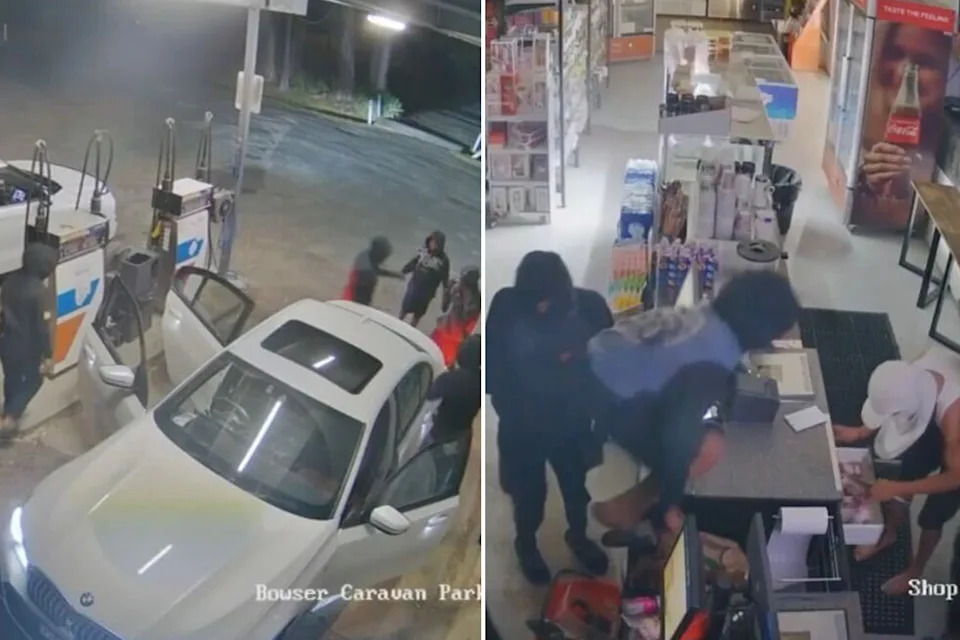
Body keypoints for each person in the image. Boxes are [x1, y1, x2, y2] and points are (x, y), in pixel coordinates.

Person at [587, 271, 800, 539]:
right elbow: (678, 440)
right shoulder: (711, 363)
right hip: (606, 397)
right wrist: (670, 503)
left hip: (600, 357)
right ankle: (631, 514)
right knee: (708, 449)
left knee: (699, 428)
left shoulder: (707, 315)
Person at [487, 251, 613, 585]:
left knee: (576, 489)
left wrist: (600, 418)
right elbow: (493, 369)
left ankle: (579, 535)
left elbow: (611, 364)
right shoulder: (506, 306)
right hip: (522, 426)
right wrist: (514, 411)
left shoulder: (591, 308)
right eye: (535, 302)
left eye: (548, 301)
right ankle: (525, 543)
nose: (541, 308)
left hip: (572, 423)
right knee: (529, 496)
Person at [833, 354, 960, 594]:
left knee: (932, 515)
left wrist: (897, 489)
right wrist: (861, 432)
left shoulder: (955, 421)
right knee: (907, 472)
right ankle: (888, 535)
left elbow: (956, 477)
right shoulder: (912, 374)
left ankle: (916, 571)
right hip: (936, 417)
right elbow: (895, 406)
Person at [855, 23, 951, 227]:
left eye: (924, 62)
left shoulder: (941, 155)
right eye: (895, 54)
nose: (903, 72)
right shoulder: (860, 135)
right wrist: (867, 183)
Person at [0, 243, 58, 439]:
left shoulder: (10, 281)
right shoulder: (38, 293)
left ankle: (9, 407)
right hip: (26, 347)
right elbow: (41, 329)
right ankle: (9, 419)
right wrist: (48, 356)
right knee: (34, 380)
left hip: (6, 342)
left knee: (12, 378)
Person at [427, 334, 481, 445]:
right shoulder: (480, 381)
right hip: (461, 436)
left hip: (439, 433)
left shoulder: (450, 379)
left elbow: (429, 395)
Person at [431, 266, 480, 368]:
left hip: (455, 337)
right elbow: (444, 307)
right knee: (433, 355)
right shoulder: (457, 290)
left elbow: (470, 318)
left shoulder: (476, 300)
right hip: (445, 330)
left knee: (444, 362)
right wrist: (447, 291)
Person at [400, 231, 450, 327]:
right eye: (431, 242)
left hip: (427, 292)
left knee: (418, 313)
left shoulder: (444, 260)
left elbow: (445, 279)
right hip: (414, 286)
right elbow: (413, 263)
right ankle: (399, 322)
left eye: (436, 243)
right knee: (405, 307)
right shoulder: (423, 252)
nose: (433, 245)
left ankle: (412, 328)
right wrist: (404, 270)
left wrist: (445, 295)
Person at [342, 236, 403, 307]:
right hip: (353, 302)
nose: (385, 259)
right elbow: (362, 300)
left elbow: (375, 269)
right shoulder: (369, 275)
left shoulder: (364, 255)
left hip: (349, 293)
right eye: (385, 256)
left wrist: (395, 274)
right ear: (379, 255)